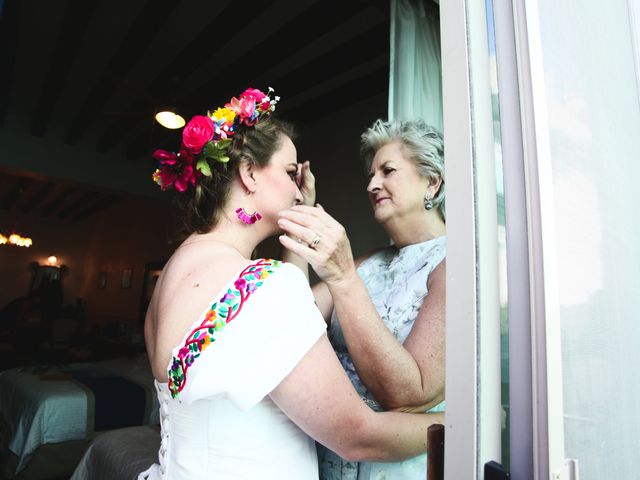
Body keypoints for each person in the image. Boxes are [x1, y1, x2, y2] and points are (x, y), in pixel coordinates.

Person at [139, 89, 443, 480]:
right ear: (249, 173)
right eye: (289, 172)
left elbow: (279, 320)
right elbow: (357, 435)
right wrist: (461, 422)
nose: (300, 189)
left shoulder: (174, 274)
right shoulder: (263, 286)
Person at [278, 118, 446, 479]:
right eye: (370, 175)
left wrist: (342, 277)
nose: (372, 184)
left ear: (432, 182)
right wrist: (299, 211)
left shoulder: (457, 264)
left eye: (388, 170)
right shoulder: (367, 263)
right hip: (324, 461)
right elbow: (292, 318)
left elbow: (408, 393)